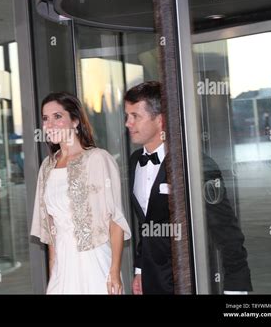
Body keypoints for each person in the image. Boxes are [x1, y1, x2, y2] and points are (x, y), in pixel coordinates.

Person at [124, 81, 252, 294]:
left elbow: (226, 230)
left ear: (160, 120)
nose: (128, 123)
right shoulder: (135, 161)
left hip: (190, 280)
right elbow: (146, 224)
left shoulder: (196, 165)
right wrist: (139, 268)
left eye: (135, 116)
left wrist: (236, 287)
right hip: (151, 281)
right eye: (127, 116)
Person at [31, 92, 131, 294]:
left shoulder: (98, 159)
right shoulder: (47, 167)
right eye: (45, 118)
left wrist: (114, 272)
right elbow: (51, 232)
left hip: (95, 263)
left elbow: (115, 221)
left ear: (75, 120)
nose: (50, 124)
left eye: (57, 116)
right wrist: (54, 277)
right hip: (63, 266)